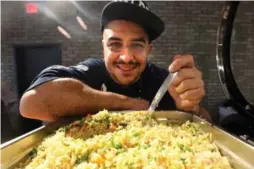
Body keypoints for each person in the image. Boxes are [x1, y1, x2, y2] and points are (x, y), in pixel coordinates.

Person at [20, 0, 211, 122]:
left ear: (148, 49)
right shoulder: (90, 72)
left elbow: (206, 121)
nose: (126, 57)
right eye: (115, 44)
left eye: (136, 45)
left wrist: (193, 109)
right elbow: (31, 104)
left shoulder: (166, 81)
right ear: (103, 47)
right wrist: (130, 104)